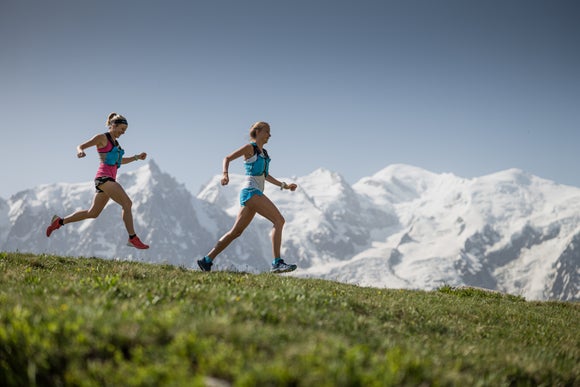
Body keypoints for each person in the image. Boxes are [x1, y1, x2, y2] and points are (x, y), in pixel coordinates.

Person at [198, 121, 298, 273]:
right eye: (267, 131)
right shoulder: (249, 148)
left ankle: (207, 260)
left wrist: (285, 186)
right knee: (279, 220)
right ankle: (277, 262)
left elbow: (265, 176)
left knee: (236, 232)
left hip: (254, 194)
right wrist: (225, 174)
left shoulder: (264, 153)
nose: (269, 135)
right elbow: (227, 158)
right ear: (257, 132)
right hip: (251, 192)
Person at [46, 112, 150, 249]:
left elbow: (120, 161)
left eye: (125, 131)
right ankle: (132, 238)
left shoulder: (116, 144)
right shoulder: (102, 138)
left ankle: (59, 222)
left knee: (92, 213)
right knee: (127, 203)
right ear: (113, 125)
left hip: (108, 180)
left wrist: (137, 157)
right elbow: (81, 145)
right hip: (104, 179)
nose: (123, 133)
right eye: (122, 129)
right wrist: (80, 151)